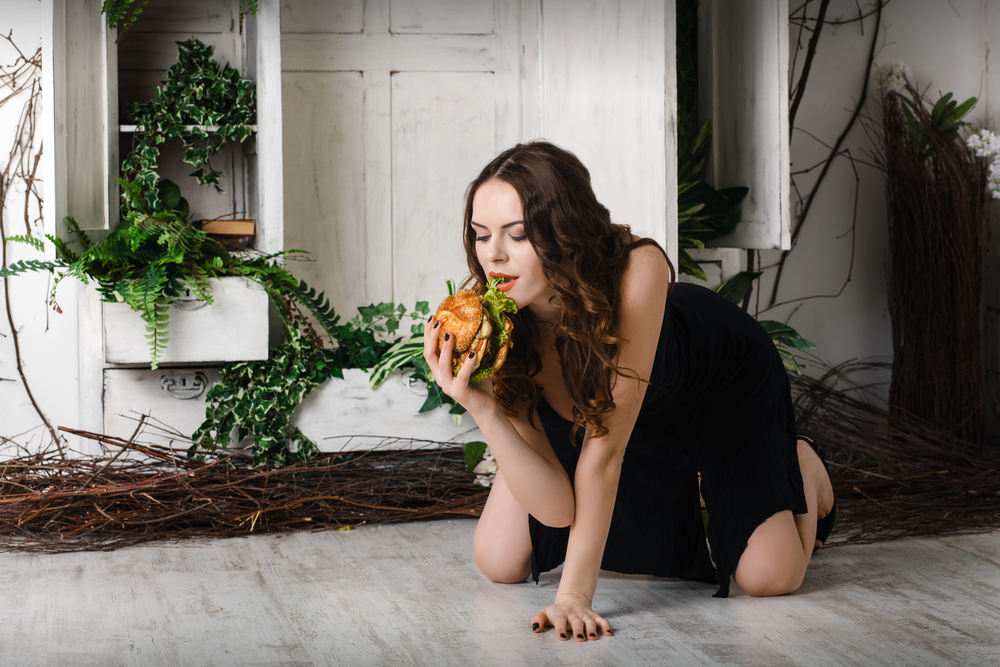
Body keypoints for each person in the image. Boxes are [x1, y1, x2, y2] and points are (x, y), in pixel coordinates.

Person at [422, 141, 836, 642]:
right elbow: (557, 511)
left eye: (519, 234)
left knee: (771, 578)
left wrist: (573, 597)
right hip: (608, 417)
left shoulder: (639, 268)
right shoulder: (498, 325)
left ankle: (802, 465)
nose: (494, 255)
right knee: (498, 559)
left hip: (715, 387)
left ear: (566, 233)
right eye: (481, 235)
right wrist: (482, 406)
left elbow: (605, 451)